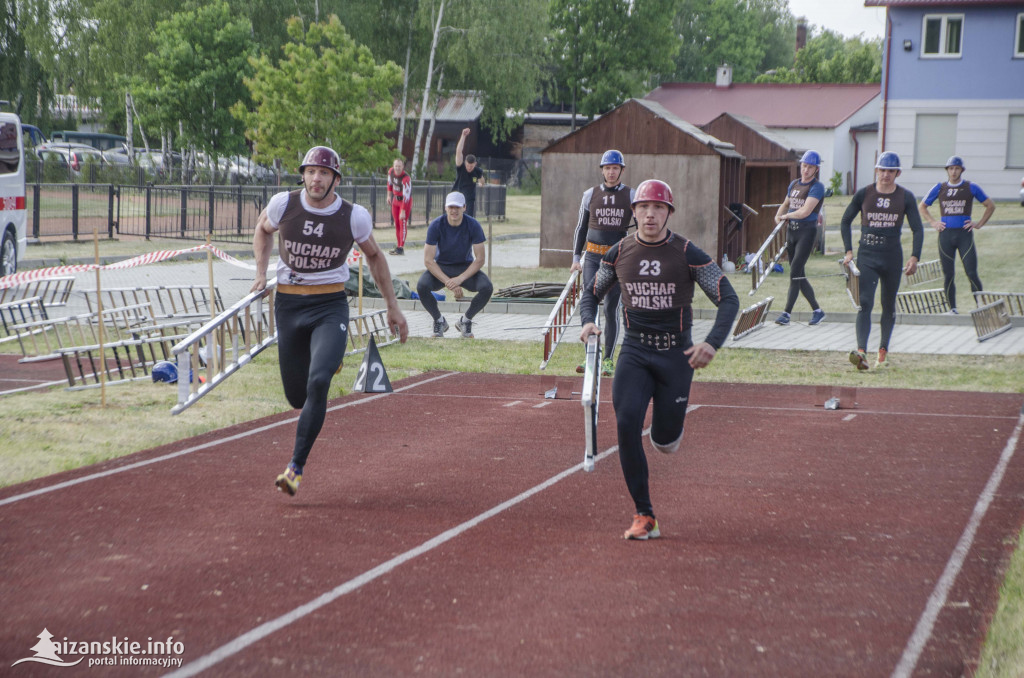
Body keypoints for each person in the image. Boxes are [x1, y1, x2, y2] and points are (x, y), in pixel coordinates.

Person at [580, 179, 739, 541]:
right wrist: (588, 321)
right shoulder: (618, 252)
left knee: (665, 441)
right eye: (643, 207)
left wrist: (712, 343)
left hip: (676, 356)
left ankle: (669, 430)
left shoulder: (687, 253)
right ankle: (644, 514)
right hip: (634, 352)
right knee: (626, 423)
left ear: (669, 213)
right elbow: (590, 294)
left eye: (658, 208)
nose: (650, 214)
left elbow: (729, 299)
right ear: (633, 212)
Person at [250, 145, 409, 496]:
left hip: (329, 306)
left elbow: (375, 257)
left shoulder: (354, 216)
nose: (316, 179)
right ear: (303, 174)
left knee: (319, 381)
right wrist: (261, 274)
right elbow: (263, 231)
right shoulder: (283, 204)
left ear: (336, 179)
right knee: (297, 397)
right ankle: (326, 365)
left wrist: (392, 306)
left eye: (324, 173)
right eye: (310, 172)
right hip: (289, 306)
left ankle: (295, 468)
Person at [840, 151, 924, 370]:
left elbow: (917, 228)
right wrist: (849, 251)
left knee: (888, 304)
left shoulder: (905, 197)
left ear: (897, 173)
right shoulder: (864, 194)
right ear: (876, 170)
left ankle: (882, 352)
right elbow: (845, 221)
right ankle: (861, 353)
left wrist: (915, 257)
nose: (885, 174)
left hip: (892, 257)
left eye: (890, 171)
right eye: (882, 170)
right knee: (865, 302)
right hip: (867, 255)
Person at [571, 149, 634, 376]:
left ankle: (607, 359)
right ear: (602, 170)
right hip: (593, 256)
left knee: (611, 307)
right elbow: (581, 228)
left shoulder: (631, 195)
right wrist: (576, 258)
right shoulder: (590, 194)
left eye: (615, 168)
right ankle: (590, 356)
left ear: (622, 170)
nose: (611, 172)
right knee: (590, 303)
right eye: (607, 168)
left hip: (617, 257)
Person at [918, 155, 996, 313]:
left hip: (964, 235)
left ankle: (981, 306)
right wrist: (933, 222)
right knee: (948, 274)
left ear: (962, 170)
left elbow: (990, 206)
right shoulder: (940, 188)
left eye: (957, 168)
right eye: (951, 168)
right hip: (945, 236)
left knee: (971, 272)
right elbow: (922, 206)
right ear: (947, 170)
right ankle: (952, 308)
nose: (954, 172)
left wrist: (979, 224)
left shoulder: (970, 187)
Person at [417, 191, 493, 338]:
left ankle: (465, 320)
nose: (454, 210)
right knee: (422, 286)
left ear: (464, 207)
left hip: (465, 267)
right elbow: (428, 260)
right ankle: (439, 321)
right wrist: (448, 281)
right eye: (451, 207)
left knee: (487, 287)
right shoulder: (436, 225)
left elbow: (480, 259)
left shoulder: (473, 225)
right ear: (445, 208)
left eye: (457, 207)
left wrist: (459, 279)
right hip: (442, 267)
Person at [773, 150, 827, 326]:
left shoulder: (817, 187)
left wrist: (787, 217)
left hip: (806, 231)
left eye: (810, 167)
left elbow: (805, 211)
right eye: (804, 166)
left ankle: (786, 313)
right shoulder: (794, 184)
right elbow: (786, 204)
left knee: (795, 270)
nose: (806, 170)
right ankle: (818, 311)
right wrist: (778, 216)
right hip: (792, 232)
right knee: (798, 273)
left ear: (816, 169)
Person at [452, 128, 484, 217]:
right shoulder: (461, 167)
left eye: (471, 166)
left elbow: (482, 180)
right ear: (465, 163)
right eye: (468, 165)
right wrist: (463, 136)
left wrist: (481, 183)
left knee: (468, 219)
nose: (469, 168)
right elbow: (458, 152)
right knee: (455, 218)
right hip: (457, 196)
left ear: (475, 164)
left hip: (469, 200)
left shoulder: (478, 171)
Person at [386, 156, 412, 256]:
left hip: (404, 202)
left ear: (403, 167)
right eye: (396, 166)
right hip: (395, 200)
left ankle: (401, 247)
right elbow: (389, 184)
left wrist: (403, 210)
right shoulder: (391, 172)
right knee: (396, 223)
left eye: (399, 166)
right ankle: (398, 246)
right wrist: (389, 195)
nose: (397, 168)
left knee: (402, 223)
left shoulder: (406, 178)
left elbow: (407, 195)